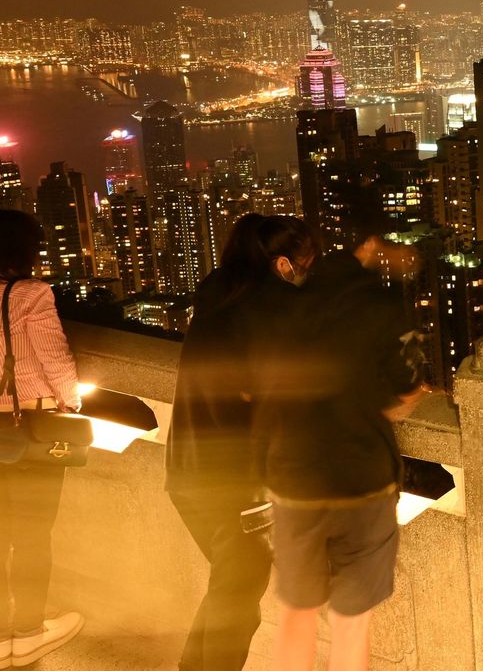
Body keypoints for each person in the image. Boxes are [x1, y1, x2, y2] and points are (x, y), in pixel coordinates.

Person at [254, 210, 426, 671]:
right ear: (369, 244)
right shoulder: (383, 308)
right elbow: (406, 387)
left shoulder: (275, 306)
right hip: (361, 479)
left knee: (297, 613)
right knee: (351, 620)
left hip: (292, 479)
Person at [166, 213, 316, 671]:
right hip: (241, 486)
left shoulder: (218, 290)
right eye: (307, 265)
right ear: (285, 264)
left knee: (230, 596)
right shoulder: (272, 310)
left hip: (189, 472)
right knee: (234, 604)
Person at [0, 209, 84, 668]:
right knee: (32, 535)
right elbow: (55, 360)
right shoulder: (31, 294)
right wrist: (71, 404)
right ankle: (27, 632)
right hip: (29, 430)